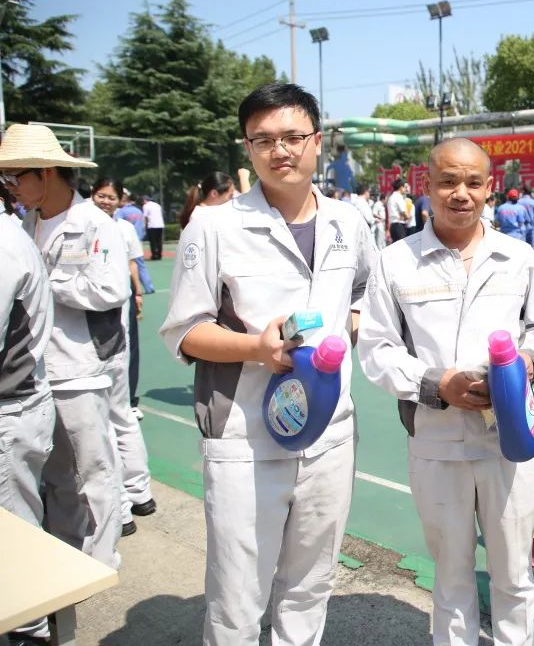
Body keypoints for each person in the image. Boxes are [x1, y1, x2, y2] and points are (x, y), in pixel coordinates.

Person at [159, 83, 375, 645]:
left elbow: (363, 294)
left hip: (330, 434)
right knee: (237, 599)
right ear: (247, 149)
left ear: (317, 142)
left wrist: (344, 332)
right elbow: (185, 331)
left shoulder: (348, 222)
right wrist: (259, 348)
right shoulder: (213, 226)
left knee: (309, 587)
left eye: (292, 137)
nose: (280, 150)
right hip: (245, 436)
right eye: (263, 140)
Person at [358, 137, 534, 646]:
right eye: (448, 181)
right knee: (450, 577)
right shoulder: (395, 261)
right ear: (427, 186)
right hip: (436, 443)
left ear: (489, 188)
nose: (460, 193)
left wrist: (526, 365)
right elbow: (377, 349)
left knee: (514, 576)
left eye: (473, 182)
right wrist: (435, 384)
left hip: (509, 443)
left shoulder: (517, 257)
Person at [0, 123, 128, 570]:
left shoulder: (94, 223)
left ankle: (102, 560)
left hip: (80, 367)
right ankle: (68, 559)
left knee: (94, 471)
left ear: (47, 172)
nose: (9, 186)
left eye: (15, 176)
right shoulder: (26, 222)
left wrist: (44, 281)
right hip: (38, 372)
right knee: (57, 476)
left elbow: (110, 289)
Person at [0, 215, 57, 644]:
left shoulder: (4, 244)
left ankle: (30, 631)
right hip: (19, 404)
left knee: (14, 537)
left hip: (12, 409)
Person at [91, 177, 156, 533]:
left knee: (110, 417)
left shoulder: (117, 229)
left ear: (120, 201)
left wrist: (139, 293)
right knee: (117, 414)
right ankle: (133, 497)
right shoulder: (88, 223)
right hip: (105, 332)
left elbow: (132, 266)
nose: (106, 201)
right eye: (100, 195)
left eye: (111, 197)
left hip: (105, 332)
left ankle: (130, 500)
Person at [116, 188, 155, 295]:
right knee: (141, 265)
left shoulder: (121, 212)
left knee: (128, 265)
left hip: (126, 243)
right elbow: (143, 225)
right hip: (138, 240)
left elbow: (116, 225)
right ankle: (149, 287)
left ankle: (129, 288)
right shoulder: (138, 211)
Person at [142, 193, 165, 260]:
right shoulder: (157, 205)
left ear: (144, 200)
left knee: (153, 241)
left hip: (152, 225)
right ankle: (159, 255)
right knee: (159, 241)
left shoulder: (145, 206)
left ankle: (154, 255)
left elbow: (145, 217)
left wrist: (144, 227)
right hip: (160, 225)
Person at [387, 177, 410, 243]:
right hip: (399, 226)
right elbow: (404, 213)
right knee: (402, 246)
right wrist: (407, 217)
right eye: (404, 187)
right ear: (401, 187)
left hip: (393, 225)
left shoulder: (391, 197)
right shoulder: (398, 197)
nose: (405, 189)